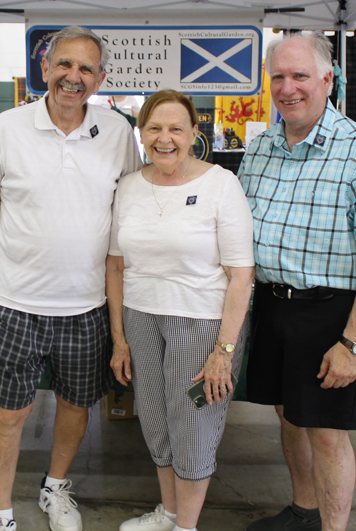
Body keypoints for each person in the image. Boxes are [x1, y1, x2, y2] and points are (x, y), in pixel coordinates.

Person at [0, 25, 141, 531]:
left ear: (101, 78)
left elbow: (129, 211)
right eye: (64, 65)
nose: (73, 76)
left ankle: (56, 486)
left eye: (86, 68)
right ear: (44, 69)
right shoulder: (6, 128)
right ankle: (0, 515)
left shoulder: (116, 132)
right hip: (16, 301)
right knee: (8, 414)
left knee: (75, 406)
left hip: (87, 306)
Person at [237, 31, 356, 531]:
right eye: (278, 78)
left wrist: (350, 344)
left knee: (326, 431)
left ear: (328, 79)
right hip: (272, 304)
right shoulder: (264, 146)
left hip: (330, 312)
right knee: (289, 415)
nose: (287, 88)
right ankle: (303, 511)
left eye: (300, 76)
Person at [106, 89, 255, 531]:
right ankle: (169, 513)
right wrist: (119, 339)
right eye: (154, 128)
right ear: (141, 133)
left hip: (202, 324)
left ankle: (185, 527)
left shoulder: (220, 184)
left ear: (194, 133)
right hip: (140, 318)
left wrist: (223, 351)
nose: (164, 138)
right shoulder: (130, 186)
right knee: (154, 420)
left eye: (176, 128)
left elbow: (241, 275)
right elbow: (116, 266)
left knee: (192, 425)